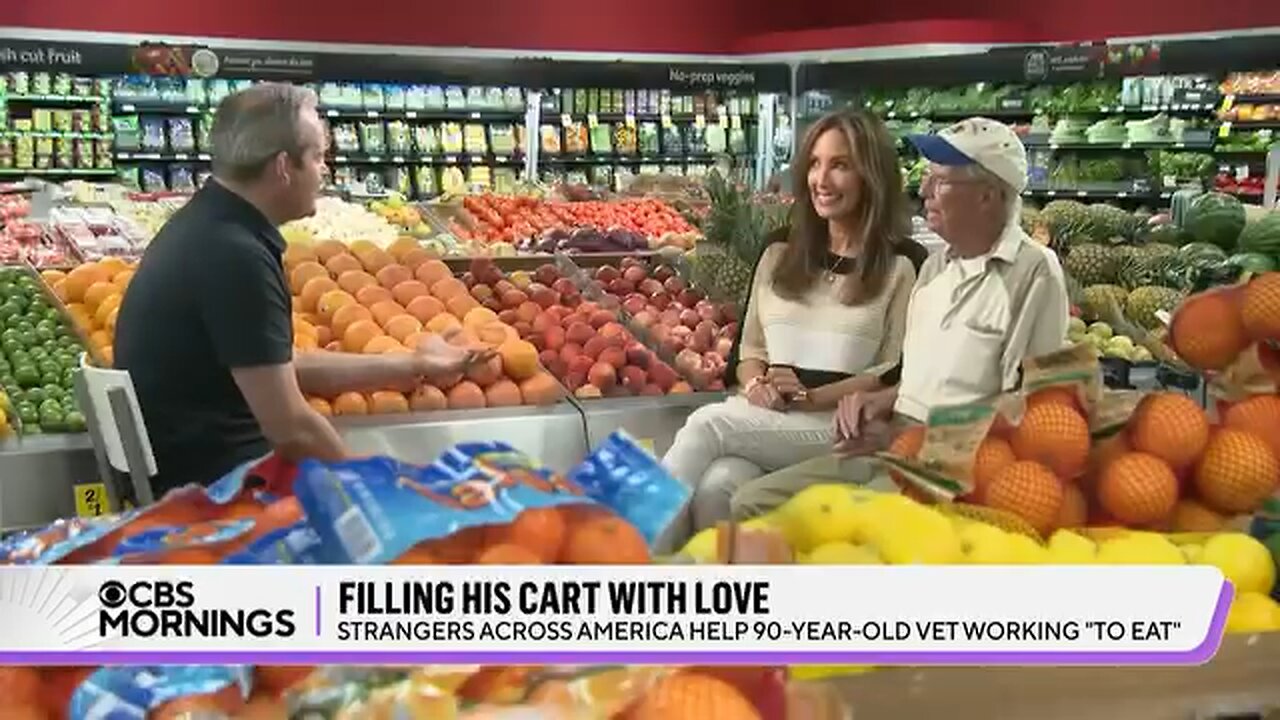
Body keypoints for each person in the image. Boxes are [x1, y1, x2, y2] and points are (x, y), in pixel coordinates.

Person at [114, 83, 487, 495]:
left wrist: (414, 365)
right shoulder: (234, 255)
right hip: (222, 494)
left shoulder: (210, 226)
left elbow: (282, 364)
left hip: (196, 470)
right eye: (317, 156)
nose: (325, 170)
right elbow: (290, 428)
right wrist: (377, 496)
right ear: (283, 168)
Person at [728, 117, 1070, 519]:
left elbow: (1038, 410)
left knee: (810, 524)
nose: (924, 190)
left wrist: (910, 434)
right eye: (927, 177)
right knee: (747, 504)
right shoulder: (936, 268)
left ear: (988, 196)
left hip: (951, 468)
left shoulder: (1033, 273)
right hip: (890, 445)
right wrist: (878, 403)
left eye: (941, 181)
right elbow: (922, 379)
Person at [656, 110, 922, 552]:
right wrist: (757, 383)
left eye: (840, 165)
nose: (822, 178)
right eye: (815, 164)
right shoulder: (779, 249)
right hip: (765, 418)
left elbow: (893, 371)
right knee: (719, 486)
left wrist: (810, 396)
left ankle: (624, 556)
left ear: (871, 174)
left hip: (835, 427)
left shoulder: (902, 265)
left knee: (705, 425)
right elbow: (750, 349)